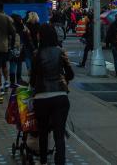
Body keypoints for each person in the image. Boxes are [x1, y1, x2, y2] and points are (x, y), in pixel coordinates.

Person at [30, 23, 74, 165]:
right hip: (60, 97)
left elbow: (32, 80)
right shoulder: (60, 52)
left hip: (41, 97)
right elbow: (71, 74)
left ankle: (43, 161)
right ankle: (60, 161)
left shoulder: (37, 54)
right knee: (59, 135)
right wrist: (63, 79)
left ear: (41, 36)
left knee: (43, 132)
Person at [8, 14, 25, 85]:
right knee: (19, 64)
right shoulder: (22, 26)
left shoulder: (11, 26)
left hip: (13, 47)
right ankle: (18, 79)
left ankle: (12, 82)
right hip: (20, 47)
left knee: (12, 64)